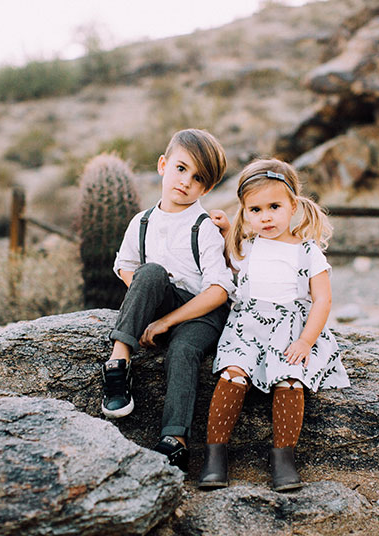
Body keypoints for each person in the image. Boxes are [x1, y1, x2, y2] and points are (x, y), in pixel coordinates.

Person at [200, 158, 350, 491]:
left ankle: (283, 457)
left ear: (293, 205)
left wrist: (306, 341)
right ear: (244, 211)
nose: (265, 216)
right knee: (232, 374)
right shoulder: (249, 247)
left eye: (274, 206)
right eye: (255, 210)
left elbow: (322, 300)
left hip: (291, 330)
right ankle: (215, 457)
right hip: (248, 327)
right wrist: (226, 230)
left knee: (291, 381)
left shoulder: (308, 251)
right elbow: (231, 262)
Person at [101, 128, 235, 472]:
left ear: (206, 189)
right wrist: (148, 300)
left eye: (198, 178)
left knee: (182, 351)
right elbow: (125, 267)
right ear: (163, 164)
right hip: (165, 302)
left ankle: (175, 441)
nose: (186, 182)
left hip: (201, 314)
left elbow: (219, 290)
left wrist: (166, 322)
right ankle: (119, 364)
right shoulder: (142, 221)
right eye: (181, 168)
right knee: (150, 272)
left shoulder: (203, 226)